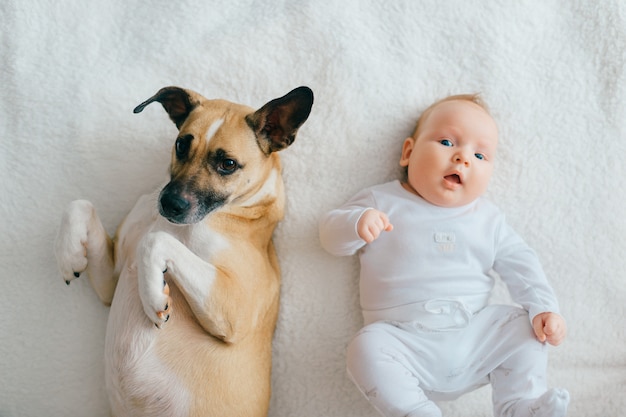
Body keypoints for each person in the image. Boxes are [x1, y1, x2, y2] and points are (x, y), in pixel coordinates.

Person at [319, 94, 569, 417]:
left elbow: (522, 263)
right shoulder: (381, 201)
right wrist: (356, 223)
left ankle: (519, 406)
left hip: (474, 340)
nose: (463, 158)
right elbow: (328, 237)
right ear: (408, 152)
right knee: (363, 349)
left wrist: (544, 307)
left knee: (526, 327)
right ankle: (417, 410)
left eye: (480, 154)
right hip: (403, 341)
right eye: (448, 141)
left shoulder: (488, 219)